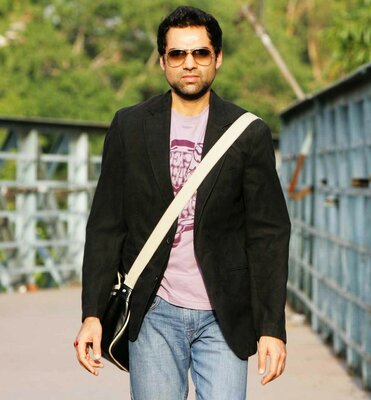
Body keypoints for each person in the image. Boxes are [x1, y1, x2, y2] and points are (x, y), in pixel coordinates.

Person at [74, 6, 291, 399]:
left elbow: (269, 236)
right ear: (162, 62)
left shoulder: (248, 133)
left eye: (200, 53)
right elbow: (106, 225)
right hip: (153, 310)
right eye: (177, 54)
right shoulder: (130, 126)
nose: (189, 64)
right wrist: (92, 314)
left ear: (217, 58)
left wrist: (272, 328)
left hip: (223, 315)